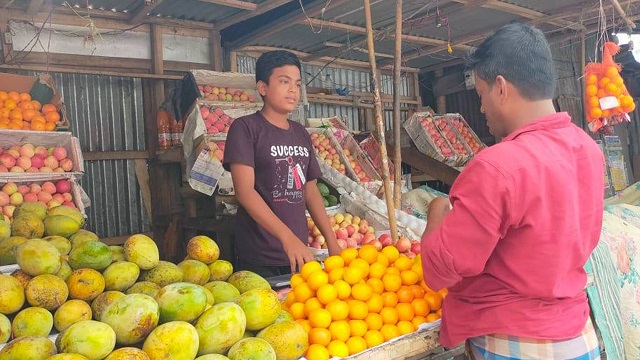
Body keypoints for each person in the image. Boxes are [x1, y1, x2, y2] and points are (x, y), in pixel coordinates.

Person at [421, 23, 604, 359]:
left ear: (501, 88)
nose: (481, 109)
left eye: (481, 94)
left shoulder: (497, 166)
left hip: (514, 344)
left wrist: (436, 212)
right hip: (579, 338)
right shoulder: (588, 150)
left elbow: (441, 270)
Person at [223, 50, 340, 278]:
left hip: (299, 255)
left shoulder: (300, 133)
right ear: (263, 87)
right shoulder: (245, 128)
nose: (293, 90)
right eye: (284, 82)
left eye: (297, 84)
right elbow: (244, 192)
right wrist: (287, 239)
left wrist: (332, 241)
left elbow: (310, 190)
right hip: (260, 256)